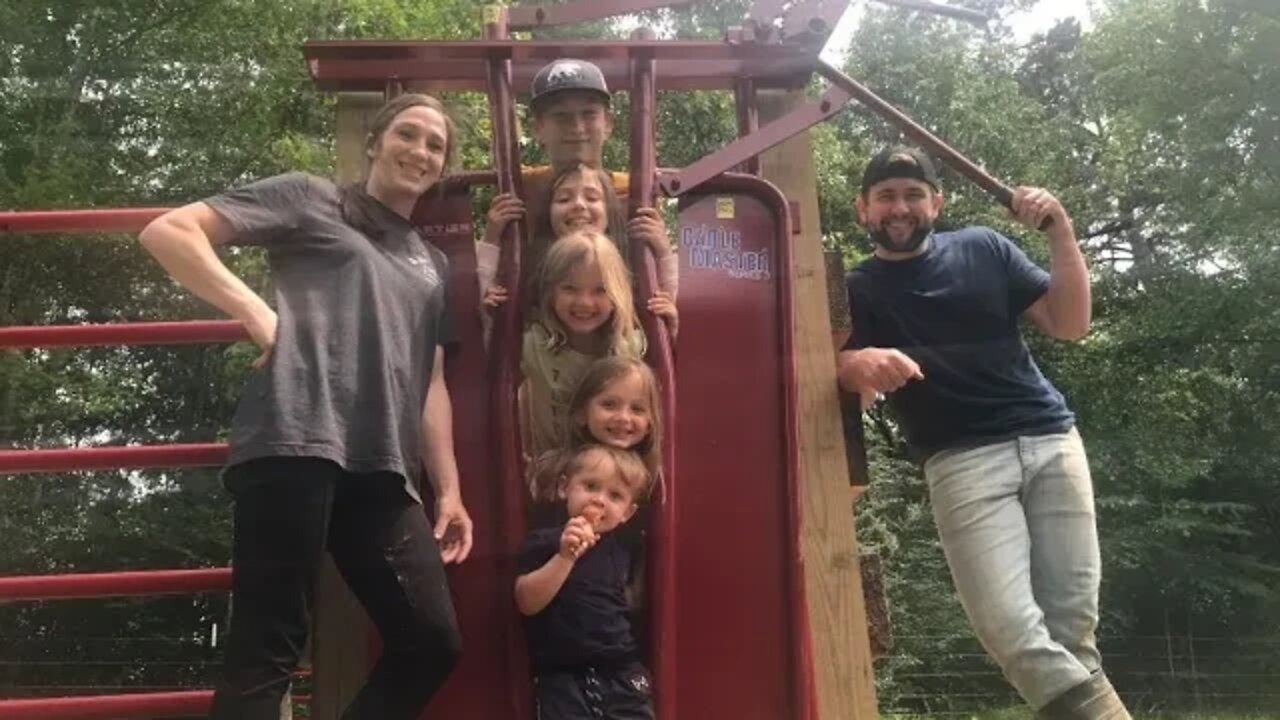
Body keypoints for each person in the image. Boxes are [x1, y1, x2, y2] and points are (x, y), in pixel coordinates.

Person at [138, 93, 473, 720]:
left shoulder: (432, 264)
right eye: (409, 133)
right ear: (375, 142)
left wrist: (448, 492)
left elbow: (431, 383)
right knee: (268, 648)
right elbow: (170, 232)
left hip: (382, 468)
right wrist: (254, 310)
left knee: (431, 643)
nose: (421, 151)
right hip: (294, 434)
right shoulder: (309, 196)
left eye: (436, 145)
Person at [835, 146, 1131, 719]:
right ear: (862, 210)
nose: (901, 207)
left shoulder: (984, 247)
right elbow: (830, 372)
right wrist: (854, 364)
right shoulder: (856, 290)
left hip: (1051, 441)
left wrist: (1061, 229)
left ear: (936, 203)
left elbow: (1069, 324)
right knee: (1011, 632)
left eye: (913, 194)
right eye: (887, 197)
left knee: (1073, 634)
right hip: (961, 462)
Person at [514, 443, 656, 720]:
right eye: (590, 486)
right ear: (565, 488)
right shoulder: (545, 542)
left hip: (622, 672)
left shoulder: (624, 549)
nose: (599, 500)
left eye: (615, 495)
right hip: (563, 676)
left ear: (627, 513)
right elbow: (526, 602)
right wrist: (565, 557)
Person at [478, 164, 677, 342]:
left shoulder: (626, 265)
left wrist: (662, 251)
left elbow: (662, 299)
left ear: (609, 212)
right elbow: (488, 305)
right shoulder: (535, 268)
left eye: (592, 198)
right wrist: (492, 236)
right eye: (564, 199)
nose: (579, 205)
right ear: (548, 214)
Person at [521, 231, 646, 462]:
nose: (584, 302)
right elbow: (486, 338)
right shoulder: (535, 345)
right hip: (556, 478)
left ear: (618, 292)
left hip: (616, 482)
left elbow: (680, 372)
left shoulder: (631, 347)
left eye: (600, 290)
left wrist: (676, 326)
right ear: (551, 292)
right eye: (570, 288)